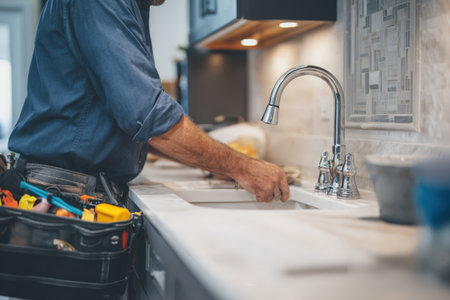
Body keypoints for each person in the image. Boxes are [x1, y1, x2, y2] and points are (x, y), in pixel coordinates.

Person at [8, 0, 289, 203]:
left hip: (68, 187)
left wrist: (217, 164)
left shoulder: (129, 7)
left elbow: (133, 127)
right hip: (61, 193)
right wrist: (242, 167)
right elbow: (148, 115)